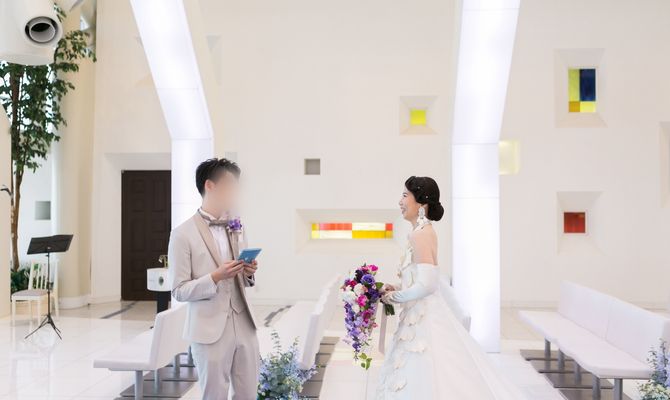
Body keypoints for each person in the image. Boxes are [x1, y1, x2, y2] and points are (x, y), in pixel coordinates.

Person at [375, 176, 524, 399]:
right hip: (417, 315)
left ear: (421, 203)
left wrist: (394, 297)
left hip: (423, 320)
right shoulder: (422, 231)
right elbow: (419, 278)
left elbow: (427, 285)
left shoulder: (420, 234)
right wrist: (395, 287)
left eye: (405, 195)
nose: (400, 201)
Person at [168, 158, 259, 400]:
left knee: (249, 394)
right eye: (230, 185)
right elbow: (178, 290)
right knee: (214, 395)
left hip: (244, 323)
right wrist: (215, 277)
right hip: (208, 329)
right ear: (210, 186)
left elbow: (244, 278)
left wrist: (248, 272)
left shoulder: (237, 226)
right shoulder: (181, 234)